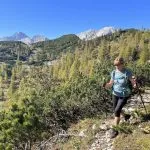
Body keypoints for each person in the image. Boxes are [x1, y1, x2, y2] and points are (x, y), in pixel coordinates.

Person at [105, 56, 136, 138]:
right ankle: (126, 116)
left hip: (124, 94)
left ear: (122, 64)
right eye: (115, 65)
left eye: (118, 65)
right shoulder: (114, 72)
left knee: (117, 110)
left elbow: (132, 81)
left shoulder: (127, 72)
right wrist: (106, 85)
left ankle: (115, 129)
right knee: (115, 109)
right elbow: (111, 83)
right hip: (115, 93)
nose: (116, 66)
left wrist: (135, 84)